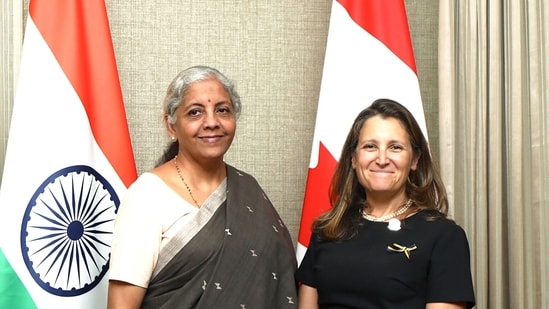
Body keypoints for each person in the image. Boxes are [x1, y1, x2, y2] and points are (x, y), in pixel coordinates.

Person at [107, 65, 297, 308]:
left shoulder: (248, 189)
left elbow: (278, 278)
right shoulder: (147, 195)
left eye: (222, 110)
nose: (211, 122)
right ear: (171, 125)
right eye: (195, 112)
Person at [296, 98, 475, 308]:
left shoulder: (444, 237)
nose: (382, 159)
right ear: (353, 158)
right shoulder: (327, 231)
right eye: (370, 146)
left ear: (415, 160)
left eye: (395, 147)